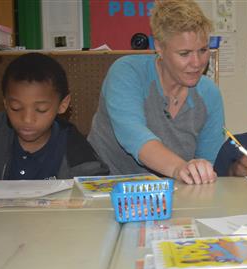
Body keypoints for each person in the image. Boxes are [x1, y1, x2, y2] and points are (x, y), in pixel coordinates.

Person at [88, 0, 224, 185]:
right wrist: (180, 168)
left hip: (172, 191)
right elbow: (138, 140)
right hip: (107, 186)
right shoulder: (126, 73)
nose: (197, 63)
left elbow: (209, 161)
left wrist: (202, 171)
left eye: (203, 50)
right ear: (159, 47)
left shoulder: (210, 95)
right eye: (184, 53)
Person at [0, 52, 108, 180]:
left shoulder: (74, 147)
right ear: (6, 103)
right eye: (16, 108)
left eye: (41, 109)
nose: (27, 119)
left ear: (63, 105)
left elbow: (95, 184)